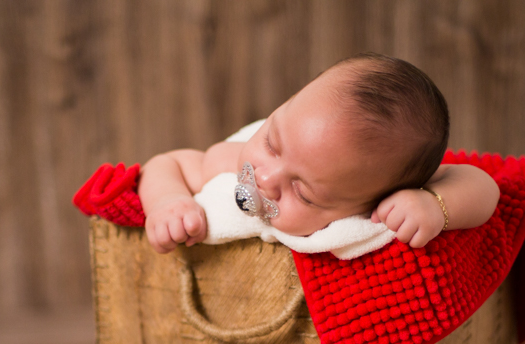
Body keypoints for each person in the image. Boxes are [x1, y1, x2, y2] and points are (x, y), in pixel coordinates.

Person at [138, 53, 500, 255]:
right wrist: (169, 202)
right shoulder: (226, 163)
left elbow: (485, 187)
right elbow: (167, 164)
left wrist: (435, 206)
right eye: (270, 143)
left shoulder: (385, 187)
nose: (264, 178)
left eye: (304, 192)